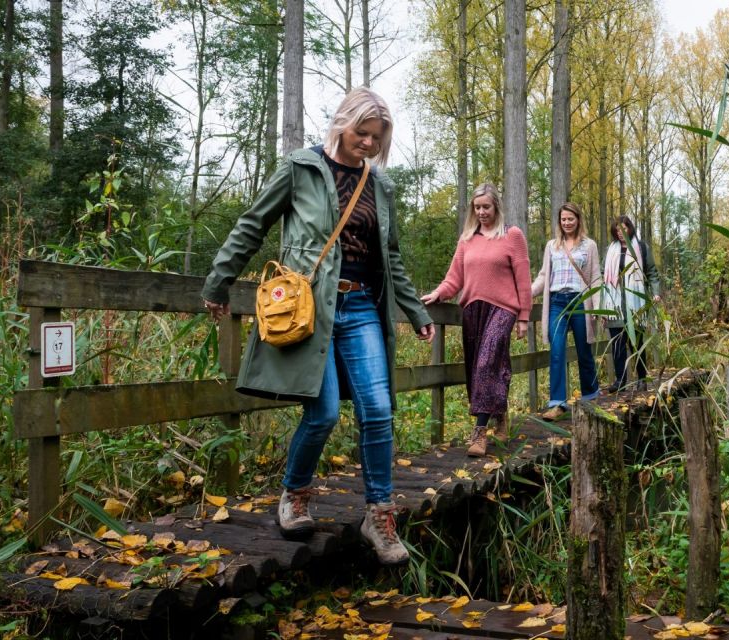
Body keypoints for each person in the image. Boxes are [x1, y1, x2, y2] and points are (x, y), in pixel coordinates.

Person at [201, 88, 433, 566]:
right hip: (312, 308)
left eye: (376, 137)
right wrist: (219, 282)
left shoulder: (379, 185)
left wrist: (416, 312)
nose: (367, 143)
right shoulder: (300, 168)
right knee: (324, 412)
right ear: (341, 123)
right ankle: (295, 494)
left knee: (378, 409)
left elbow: (391, 258)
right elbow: (252, 224)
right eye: (360, 133)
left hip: (364, 306)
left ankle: (380, 514)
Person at [421, 184, 532, 457]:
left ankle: (480, 432)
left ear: (497, 207)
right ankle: (500, 414)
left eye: (486, 207)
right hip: (472, 309)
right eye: (477, 207)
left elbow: (523, 279)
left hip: (503, 309)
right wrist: (437, 293)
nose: (481, 212)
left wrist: (524, 317)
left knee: (487, 363)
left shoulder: (512, 235)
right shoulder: (467, 238)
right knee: (482, 368)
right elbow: (454, 278)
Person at [530, 202, 601, 420]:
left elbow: (595, 277)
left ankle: (590, 398)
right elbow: (543, 276)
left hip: (580, 301)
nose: (567, 223)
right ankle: (558, 403)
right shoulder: (552, 246)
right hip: (557, 302)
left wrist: (598, 307)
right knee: (557, 350)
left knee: (584, 350)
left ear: (578, 219)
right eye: (563, 219)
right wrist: (527, 294)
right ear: (559, 222)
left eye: (571, 219)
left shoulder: (589, 246)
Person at [601, 215, 660, 391]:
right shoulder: (611, 250)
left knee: (637, 342)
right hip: (615, 302)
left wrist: (655, 293)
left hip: (636, 301)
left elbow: (652, 272)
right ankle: (621, 381)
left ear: (630, 228)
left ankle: (642, 378)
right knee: (617, 343)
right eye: (617, 230)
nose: (620, 233)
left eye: (623, 229)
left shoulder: (641, 248)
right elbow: (603, 273)